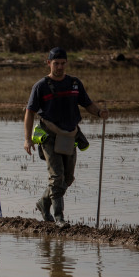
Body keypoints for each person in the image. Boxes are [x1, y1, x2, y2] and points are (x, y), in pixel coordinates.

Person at [24, 47, 109, 227]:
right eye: (56, 63)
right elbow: (29, 112)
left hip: (70, 136)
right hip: (49, 136)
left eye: (63, 63)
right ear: (49, 63)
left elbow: (87, 104)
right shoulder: (41, 86)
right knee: (57, 177)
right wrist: (27, 139)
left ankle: (43, 203)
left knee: (67, 179)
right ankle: (59, 217)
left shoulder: (74, 84)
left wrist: (100, 112)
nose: (60, 67)